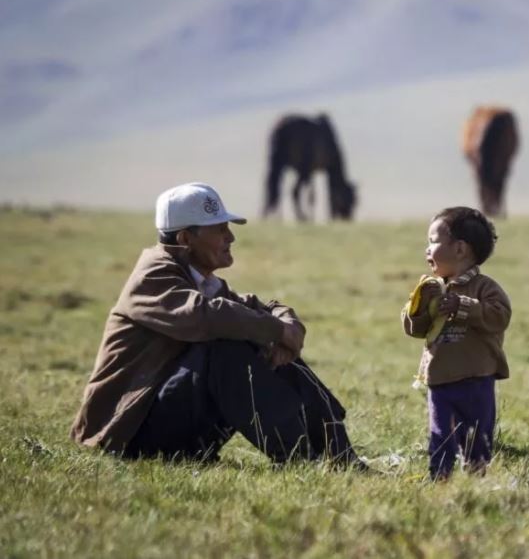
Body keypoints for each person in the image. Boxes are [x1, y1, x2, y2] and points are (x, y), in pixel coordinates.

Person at [70, 182, 364, 466]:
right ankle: (299, 458)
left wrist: (287, 332)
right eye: (220, 229)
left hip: (168, 426)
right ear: (185, 239)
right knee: (226, 347)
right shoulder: (153, 277)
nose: (230, 238)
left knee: (247, 335)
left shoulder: (197, 279)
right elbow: (206, 316)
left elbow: (264, 310)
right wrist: (277, 332)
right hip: (126, 435)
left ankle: (340, 455)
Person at [401, 207, 512, 480]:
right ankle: (439, 479)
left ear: (460, 249)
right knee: (440, 435)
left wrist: (463, 306)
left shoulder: (484, 288)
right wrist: (418, 310)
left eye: (433, 241)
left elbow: (499, 316)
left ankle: (477, 478)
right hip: (439, 380)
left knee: (477, 437)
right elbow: (416, 329)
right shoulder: (432, 288)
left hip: (476, 379)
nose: (427, 249)